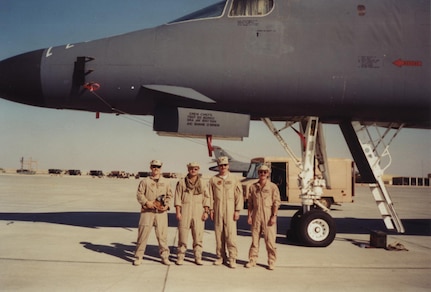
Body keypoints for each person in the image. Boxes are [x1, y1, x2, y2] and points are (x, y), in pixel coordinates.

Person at [133, 159, 173, 266]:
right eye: (154, 166)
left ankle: (165, 256)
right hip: (147, 212)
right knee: (143, 235)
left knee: (162, 236)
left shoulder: (166, 182)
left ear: (161, 168)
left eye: (158, 167)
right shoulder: (145, 182)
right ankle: (138, 256)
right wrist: (146, 202)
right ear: (150, 167)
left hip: (161, 213)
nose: (156, 168)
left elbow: (169, 195)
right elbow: (139, 194)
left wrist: (167, 206)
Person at [208, 156, 243, 268]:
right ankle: (220, 256)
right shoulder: (213, 179)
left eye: (225, 165)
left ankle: (232, 258)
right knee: (219, 234)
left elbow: (239, 195)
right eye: (221, 165)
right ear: (218, 166)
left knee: (230, 235)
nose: (223, 167)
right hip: (218, 209)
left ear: (228, 166)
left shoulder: (234, 179)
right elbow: (209, 195)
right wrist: (211, 210)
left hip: (230, 209)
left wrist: (237, 210)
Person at [244, 164, 281, 270]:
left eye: (265, 172)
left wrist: (274, 216)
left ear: (268, 174)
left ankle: (271, 261)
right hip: (256, 215)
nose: (263, 174)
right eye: (261, 172)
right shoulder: (253, 187)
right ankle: (252, 260)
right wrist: (249, 216)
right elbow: (250, 203)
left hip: (268, 214)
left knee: (270, 240)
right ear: (258, 173)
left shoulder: (273, 187)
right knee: (255, 240)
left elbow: (276, 202)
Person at [174, 162, 210, 265]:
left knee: (198, 235)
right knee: (183, 235)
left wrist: (206, 211)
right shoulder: (182, 183)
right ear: (188, 169)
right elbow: (178, 197)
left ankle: (198, 256)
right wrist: (178, 212)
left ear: (198, 170)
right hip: (185, 209)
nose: (193, 170)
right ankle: (181, 256)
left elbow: (207, 197)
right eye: (191, 168)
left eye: (195, 169)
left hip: (198, 210)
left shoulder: (202, 183)